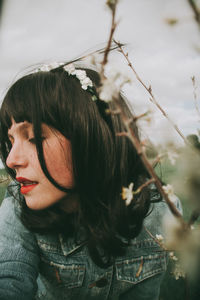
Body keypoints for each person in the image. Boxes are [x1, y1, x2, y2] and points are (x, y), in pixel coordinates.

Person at [0, 61, 179, 300]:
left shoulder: (160, 213)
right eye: (11, 141)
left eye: (33, 138)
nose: (11, 160)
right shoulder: (17, 204)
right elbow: (9, 279)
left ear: (93, 136)